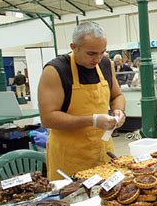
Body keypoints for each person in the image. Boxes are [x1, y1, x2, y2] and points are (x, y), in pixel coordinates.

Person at [38, 22, 126, 180]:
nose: (97, 59)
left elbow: (116, 96)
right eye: (91, 54)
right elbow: (48, 118)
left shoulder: (106, 64)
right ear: (74, 47)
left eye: (102, 52)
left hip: (103, 152)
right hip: (69, 158)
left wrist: (119, 111)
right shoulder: (56, 70)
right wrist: (92, 120)